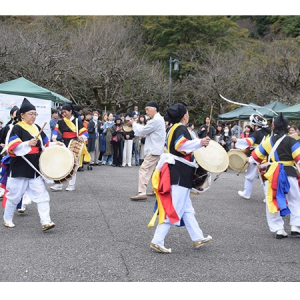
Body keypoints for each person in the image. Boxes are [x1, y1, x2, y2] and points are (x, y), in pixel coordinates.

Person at [148, 103, 212, 253]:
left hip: (176, 172)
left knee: (187, 209)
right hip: (179, 173)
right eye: (187, 112)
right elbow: (180, 146)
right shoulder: (180, 128)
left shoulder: (172, 128)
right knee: (175, 207)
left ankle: (197, 237)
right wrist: (200, 142)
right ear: (184, 115)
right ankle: (157, 240)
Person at [3, 98, 56, 230]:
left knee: (42, 196)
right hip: (20, 168)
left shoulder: (37, 127)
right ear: (22, 115)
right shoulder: (17, 128)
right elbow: (12, 147)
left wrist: (56, 145)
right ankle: (7, 218)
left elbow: (45, 144)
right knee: (14, 196)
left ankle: (46, 221)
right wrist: (27, 144)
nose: (33, 116)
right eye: (30, 113)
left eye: (35, 113)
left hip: (34, 169)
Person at [251, 113, 300, 239]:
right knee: (295, 199)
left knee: (272, 200)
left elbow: (255, 157)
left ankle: (279, 229)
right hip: (289, 173)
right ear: (287, 128)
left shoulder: (268, 141)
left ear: (274, 127)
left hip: (273, 174)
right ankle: (295, 226)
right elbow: (299, 159)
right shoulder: (292, 141)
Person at [127, 101, 165, 200]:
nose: (146, 112)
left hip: (154, 150)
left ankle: (142, 192)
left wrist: (134, 123)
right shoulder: (158, 119)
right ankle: (156, 189)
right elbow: (144, 129)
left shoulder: (156, 120)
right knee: (155, 171)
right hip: (157, 149)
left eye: (148, 109)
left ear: (154, 109)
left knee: (144, 169)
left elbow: (143, 130)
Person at [232, 114, 271, 200]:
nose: (252, 127)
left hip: (256, 157)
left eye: (253, 125)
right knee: (264, 179)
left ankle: (247, 193)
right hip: (266, 159)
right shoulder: (268, 133)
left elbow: (247, 142)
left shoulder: (256, 133)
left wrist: (236, 140)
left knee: (249, 177)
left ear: (256, 126)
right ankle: (268, 198)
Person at [51, 104, 89, 191]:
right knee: (61, 164)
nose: (63, 114)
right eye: (62, 112)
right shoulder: (60, 122)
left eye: (65, 112)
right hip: (64, 144)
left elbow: (85, 133)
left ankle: (71, 185)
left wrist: (81, 137)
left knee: (72, 165)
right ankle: (58, 184)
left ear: (71, 111)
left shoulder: (77, 121)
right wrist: (54, 137)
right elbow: (56, 131)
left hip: (74, 144)